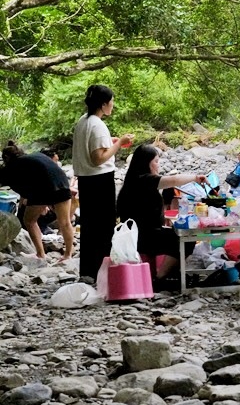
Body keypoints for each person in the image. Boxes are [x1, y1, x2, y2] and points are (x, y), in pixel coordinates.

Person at [117, 144, 208, 280]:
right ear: (146, 162)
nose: (158, 166)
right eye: (156, 162)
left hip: (139, 235)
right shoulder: (144, 180)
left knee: (174, 234)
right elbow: (173, 180)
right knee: (187, 239)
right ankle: (161, 277)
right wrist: (195, 177)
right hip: (144, 238)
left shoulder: (132, 180)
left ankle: (161, 274)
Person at [72, 84, 133, 281]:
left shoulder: (84, 121)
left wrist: (111, 142)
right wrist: (118, 143)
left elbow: (93, 147)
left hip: (85, 180)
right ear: (104, 104)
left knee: (90, 226)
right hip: (99, 180)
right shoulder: (98, 124)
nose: (113, 106)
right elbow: (98, 158)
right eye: (111, 102)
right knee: (104, 227)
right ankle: (102, 273)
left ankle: (88, 271)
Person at [0, 142, 75, 261]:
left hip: (43, 190)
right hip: (63, 184)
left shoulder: (13, 166)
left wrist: (39, 202)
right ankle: (68, 255)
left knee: (29, 221)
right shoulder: (35, 156)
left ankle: (41, 254)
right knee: (65, 222)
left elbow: (20, 187)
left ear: (6, 158)